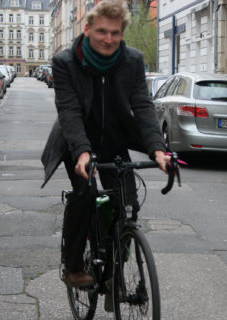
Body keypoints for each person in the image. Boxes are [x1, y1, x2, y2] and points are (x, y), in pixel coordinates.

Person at [40, 0, 170, 287]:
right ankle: (73, 266)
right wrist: (83, 152)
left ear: (122, 33)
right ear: (87, 29)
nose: (108, 39)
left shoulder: (132, 61)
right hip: (77, 141)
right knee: (85, 195)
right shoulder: (65, 63)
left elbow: (143, 106)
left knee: (128, 203)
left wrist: (157, 149)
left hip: (113, 139)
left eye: (115, 33)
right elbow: (69, 111)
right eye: (101, 31)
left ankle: (112, 266)